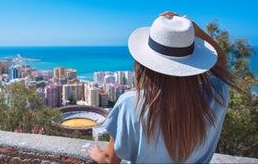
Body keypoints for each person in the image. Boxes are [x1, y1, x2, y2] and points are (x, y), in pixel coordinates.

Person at [88, 11, 237, 163]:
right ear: (194, 63)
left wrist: (99, 155)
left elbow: (110, 160)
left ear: (143, 63)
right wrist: (194, 31)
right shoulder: (217, 94)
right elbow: (221, 63)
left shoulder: (130, 104)